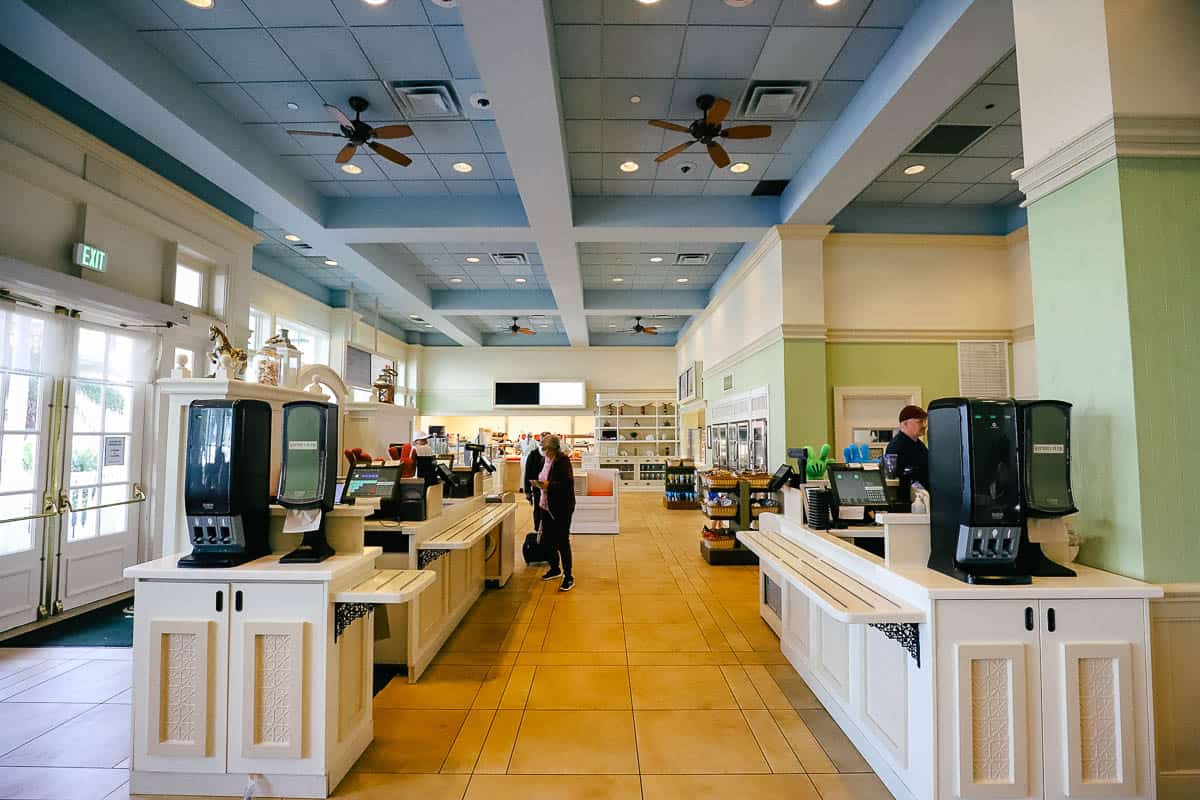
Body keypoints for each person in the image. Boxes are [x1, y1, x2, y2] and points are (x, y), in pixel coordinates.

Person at [532, 434, 575, 591]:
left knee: (562, 541)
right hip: (545, 505)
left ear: (552, 449)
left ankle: (568, 576)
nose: (543, 451)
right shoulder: (545, 460)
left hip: (561, 507)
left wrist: (548, 486)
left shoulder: (562, 461)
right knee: (548, 539)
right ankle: (554, 568)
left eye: (545, 448)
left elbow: (566, 485)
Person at [885, 405, 929, 493]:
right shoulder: (896, 447)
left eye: (924, 421)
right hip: (908, 498)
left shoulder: (919, 444)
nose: (924, 425)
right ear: (905, 424)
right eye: (920, 422)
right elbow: (897, 479)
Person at [523, 431, 548, 529]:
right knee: (538, 508)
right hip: (537, 487)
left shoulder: (554, 455)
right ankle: (538, 529)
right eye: (543, 440)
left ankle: (548, 530)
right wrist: (527, 491)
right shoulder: (533, 455)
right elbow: (528, 474)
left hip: (550, 488)